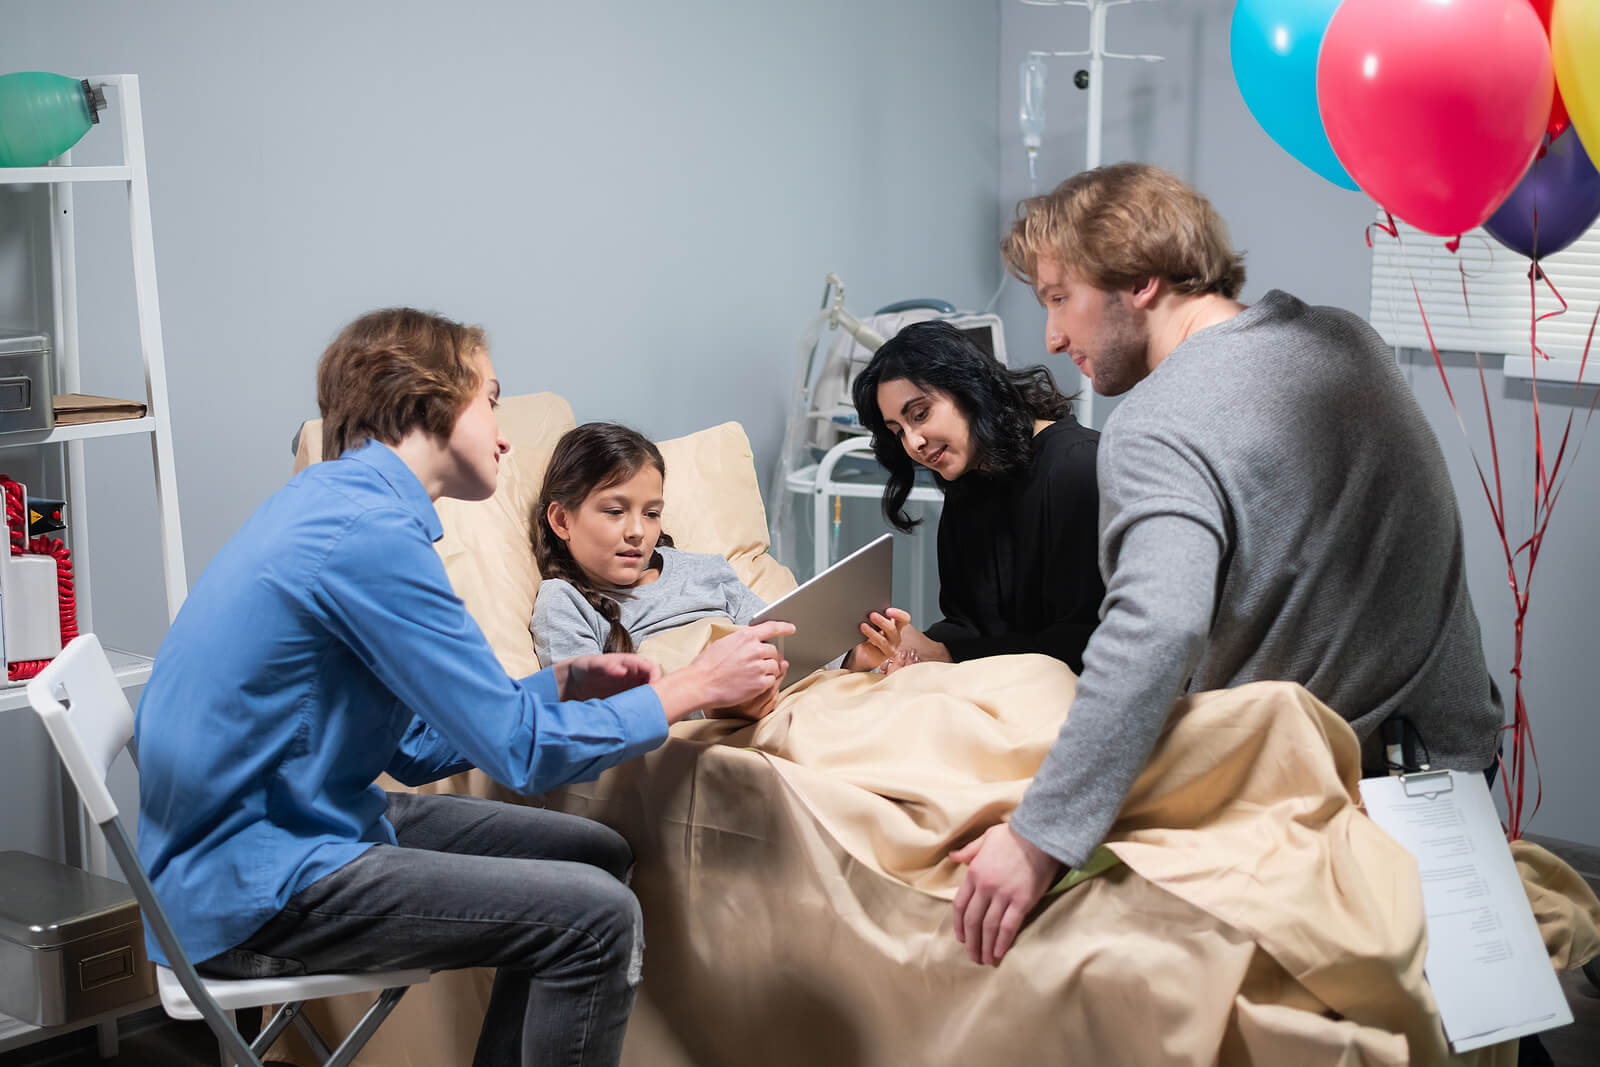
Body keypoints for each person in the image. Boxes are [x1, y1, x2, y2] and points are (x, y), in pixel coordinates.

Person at [134, 308, 792, 1067]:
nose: (505, 433)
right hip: (258, 882)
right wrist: (689, 688)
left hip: (290, 824)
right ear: (431, 402)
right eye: (492, 399)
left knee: (598, 853)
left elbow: (412, 747)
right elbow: (521, 752)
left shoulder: (340, 506)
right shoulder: (368, 536)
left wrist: (561, 683)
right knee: (597, 917)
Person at [949, 163, 1504, 968]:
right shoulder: (1347, 340)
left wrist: (1040, 835)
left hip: (1326, 802)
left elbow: (1156, 624)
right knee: (1475, 1017)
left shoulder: (1158, 422)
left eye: (1059, 297)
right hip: (1453, 758)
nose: (1053, 338)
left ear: (1139, 280)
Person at [531, 422, 892, 716]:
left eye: (652, 513)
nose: (638, 531)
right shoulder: (565, 601)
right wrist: (720, 702)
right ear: (562, 520)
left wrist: (853, 662)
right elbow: (593, 720)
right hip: (716, 726)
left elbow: (783, 657)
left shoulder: (706, 570)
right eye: (615, 511)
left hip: (785, 702)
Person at [848, 320, 1104, 673]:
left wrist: (946, 655)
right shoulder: (970, 480)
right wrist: (915, 649)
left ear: (970, 391)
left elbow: (1084, 643)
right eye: (898, 432)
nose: (913, 443)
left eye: (920, 414)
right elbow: (969, 625)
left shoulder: (1078, 468)